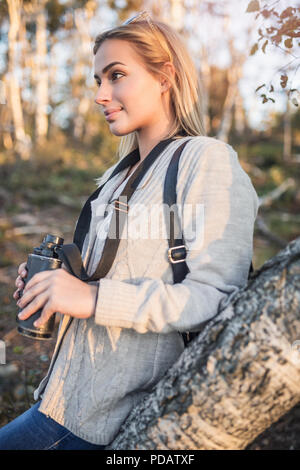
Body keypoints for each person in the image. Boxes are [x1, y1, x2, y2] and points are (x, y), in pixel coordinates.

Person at [0, 11, 259, 450]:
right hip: (64, 400)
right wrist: (56, 286)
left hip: (115, 421)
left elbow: (218, 297)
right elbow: (107, 281)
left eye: (116, 75)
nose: (101, 95)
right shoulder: (116, 178)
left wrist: (91, 297)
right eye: (97, 79)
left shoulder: (205, 160)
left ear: (165, 76)